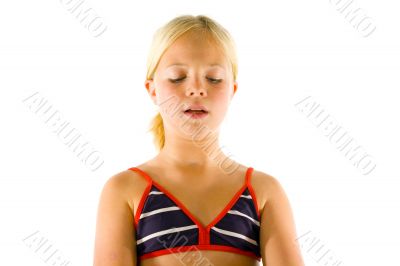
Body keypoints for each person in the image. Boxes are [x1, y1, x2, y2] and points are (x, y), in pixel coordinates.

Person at [93, 14, 305, 266]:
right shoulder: (124, 190)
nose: (196, 89)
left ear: (232, 90)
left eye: (213, 78)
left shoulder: (263, 192)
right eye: (177, 77)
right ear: (152, 90)